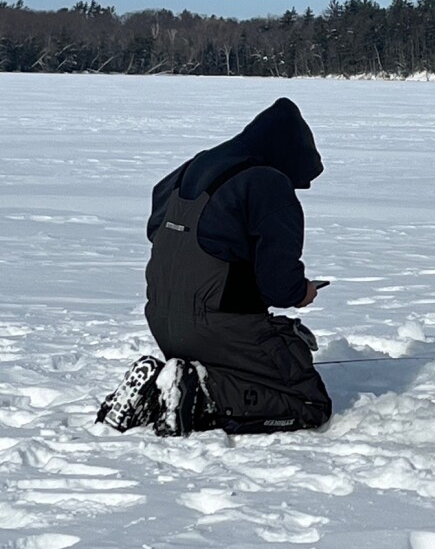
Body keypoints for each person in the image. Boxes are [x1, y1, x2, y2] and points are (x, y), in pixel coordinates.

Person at [97, 98, 332, 436]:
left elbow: (157, 231)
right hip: (217, 324)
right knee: (308, 403)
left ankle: (161, 385)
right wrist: (302, 291)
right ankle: (203, 395)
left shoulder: (195, 167)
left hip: (163, 320)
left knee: (247, 364)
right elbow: (279, 286)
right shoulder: (269, 183)